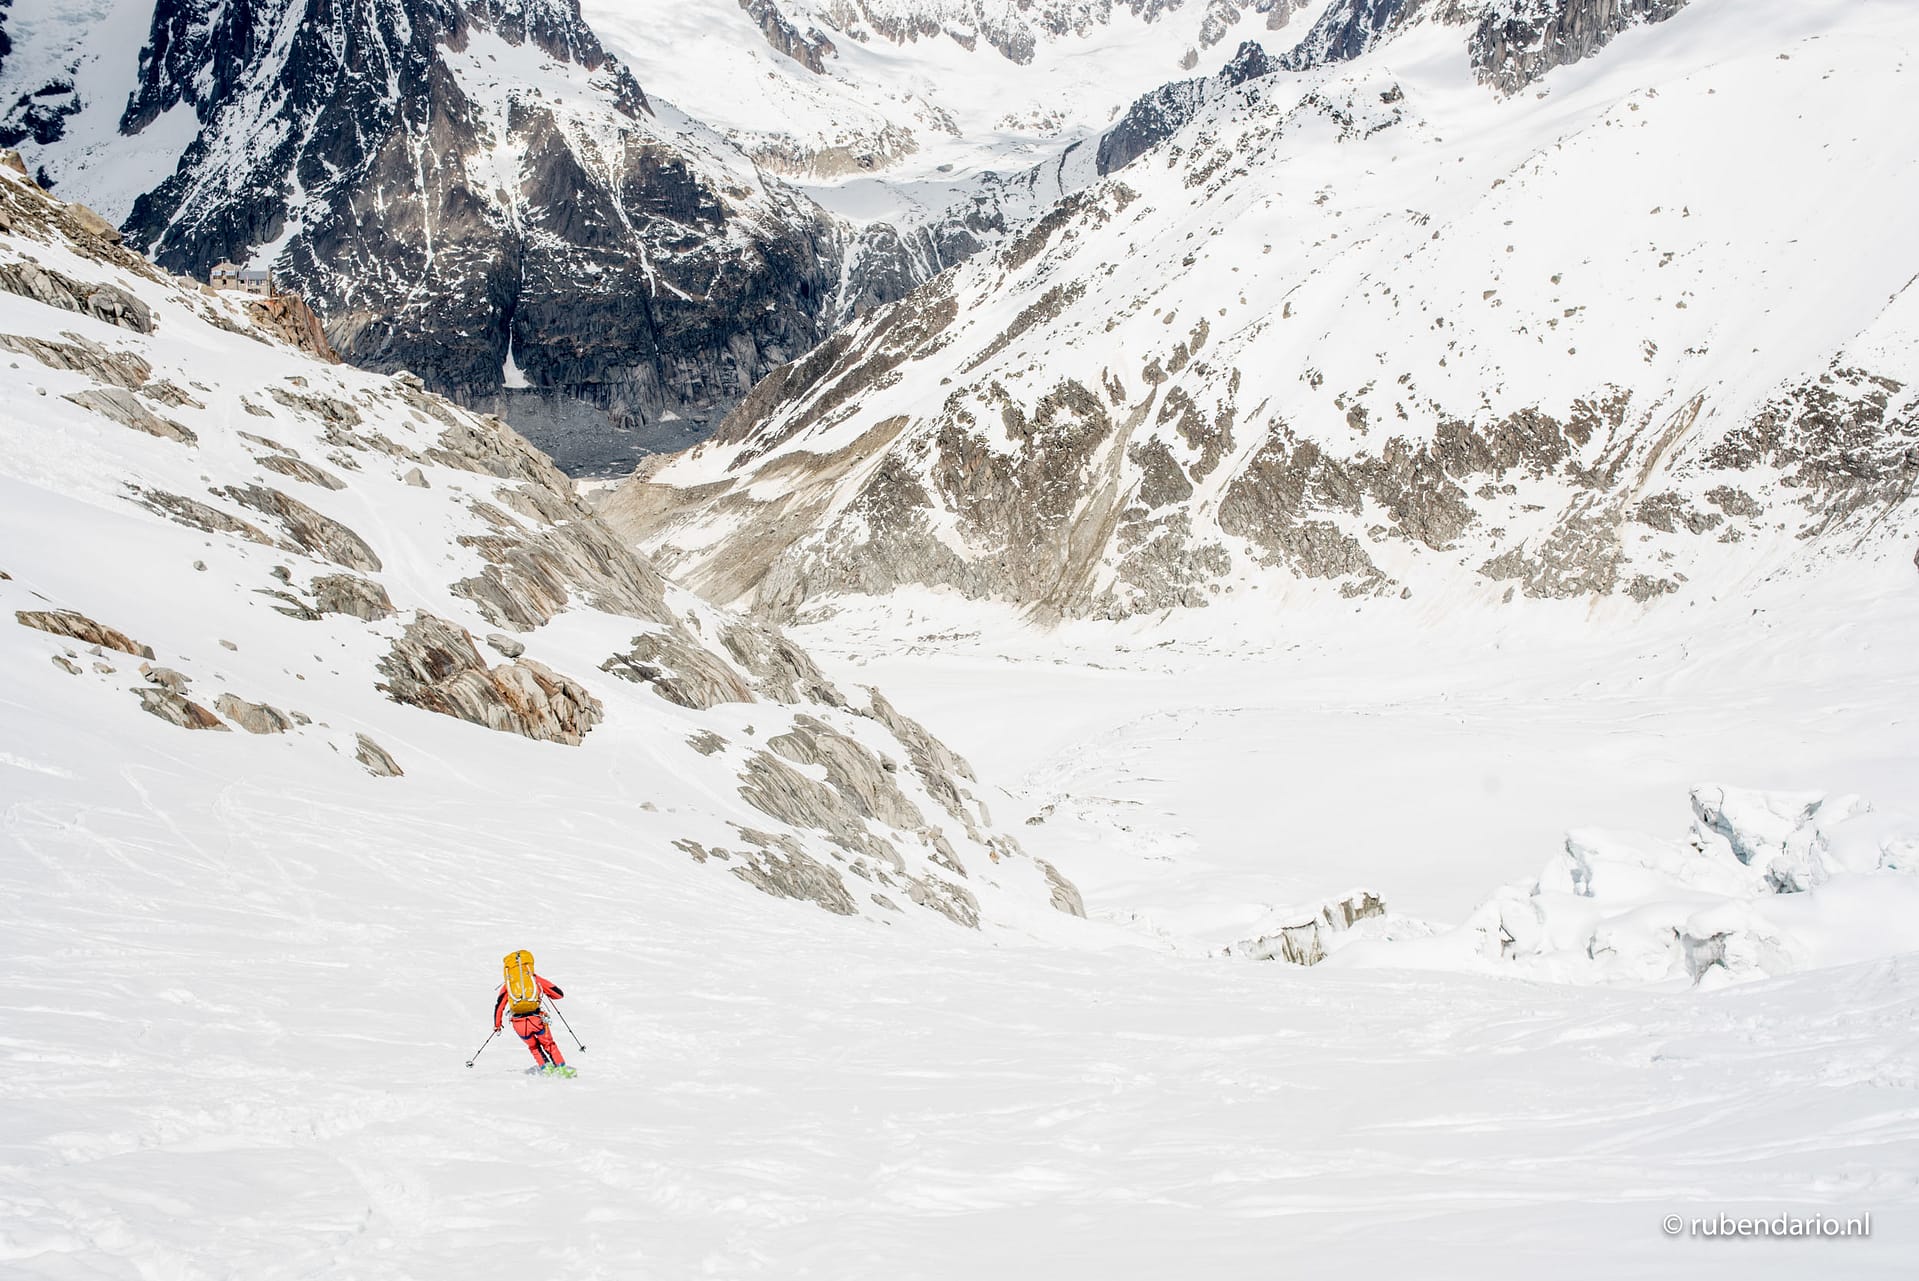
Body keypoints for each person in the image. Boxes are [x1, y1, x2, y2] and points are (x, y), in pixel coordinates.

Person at [494, 967, 567, 1069]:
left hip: (519, 1024)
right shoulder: (534, 979)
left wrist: (497, 1025)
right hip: (537, 1020)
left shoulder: (509, 984)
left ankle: (546, 1069)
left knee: (533, 1047)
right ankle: (561, 1068)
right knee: (549, 1045)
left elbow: (499, 1006)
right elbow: (559, 995)